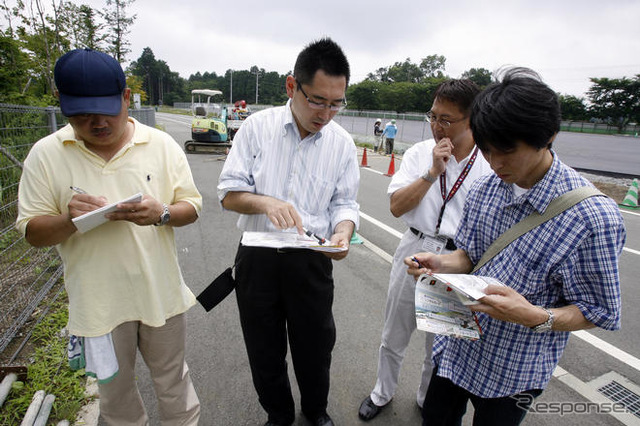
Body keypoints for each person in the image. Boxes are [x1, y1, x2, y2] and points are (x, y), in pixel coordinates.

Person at [405, 67, 626, 426]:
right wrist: (440, 263)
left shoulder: (593, 218)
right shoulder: (485, 188)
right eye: (487, 150)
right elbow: (471, 255)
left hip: (515, 367)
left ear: (549, 135)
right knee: (436, 418)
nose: (495, 163)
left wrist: (536, 316)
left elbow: (599, 309)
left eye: (506, 151)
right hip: (457, 344)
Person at [15, 48, 202, 425]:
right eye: (81, 114)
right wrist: (69, 219)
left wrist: (161, 213)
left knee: (174, 386)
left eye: (105, 110)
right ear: (63, 105)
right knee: (115, 398)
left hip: (160, 296)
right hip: (97, 305)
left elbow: (192, 208)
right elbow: (32, 231)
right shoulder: (46, 154)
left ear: (126, 97)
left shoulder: (160, 145)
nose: (96, 122)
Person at [217, 37, 359, 426]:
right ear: (291, 86)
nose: (326, 113)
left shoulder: (342, 144)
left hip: (311, 259)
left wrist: (343, 233)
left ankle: (315, 411)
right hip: (257, 258)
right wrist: (266, 202)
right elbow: (228, 193)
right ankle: (278, 413)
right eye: (317, 100)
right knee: (264, 348)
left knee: (315, 346)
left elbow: (345, 204)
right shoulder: (256, 128)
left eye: (336, 103)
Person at [358, 79, 493, 421]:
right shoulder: (419, 153)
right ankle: (382, 392)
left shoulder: (489, 163)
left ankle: (426, 399)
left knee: (441, 345)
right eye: (432, 116)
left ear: (472, 119)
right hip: (415, 246)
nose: (436, 126)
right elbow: (396, 207)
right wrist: (433, 172)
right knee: (395, 332)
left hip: (456, 259)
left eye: (446, 120)